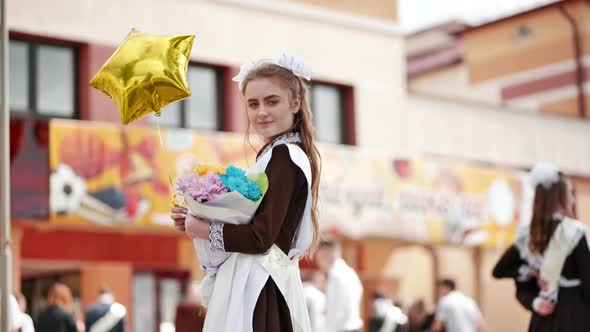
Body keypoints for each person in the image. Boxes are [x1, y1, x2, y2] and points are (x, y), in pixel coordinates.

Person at [171, 53, 321, 332]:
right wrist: (199, 216)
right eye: (253, 104)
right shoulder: (280, 154)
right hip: (261, 282)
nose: (261, 111)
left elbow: (260, 238)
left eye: (271, 101)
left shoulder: (285, 157)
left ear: (296, 102)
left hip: (259, 287)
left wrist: (202, 228)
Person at [492, 162, 590, 332]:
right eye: (570, 193)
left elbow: (499, 271)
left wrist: (534, 301)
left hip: (543, 319)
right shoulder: (573, 230)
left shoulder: (527, 236)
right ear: (562, 196)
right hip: (575, 316)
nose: (572, 199)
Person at [315, 237, 363, 332]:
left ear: (325, 255)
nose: (318, 262)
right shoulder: (349, 272)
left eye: (318, 257)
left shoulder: (335, 277)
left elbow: (334, 314)